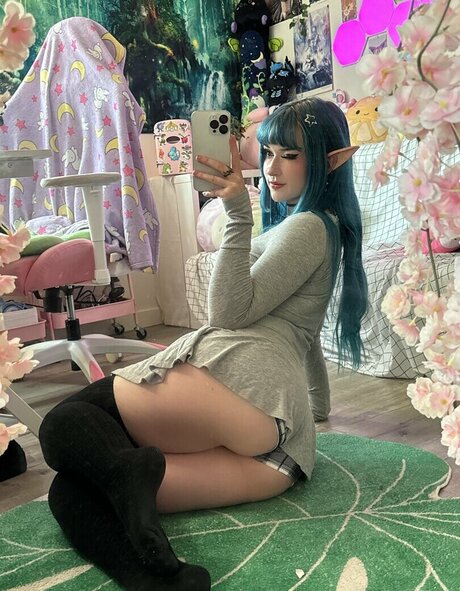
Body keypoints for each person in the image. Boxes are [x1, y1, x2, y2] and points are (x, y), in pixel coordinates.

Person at [38, 97, 368, 590]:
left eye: (291, 155)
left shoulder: (307, 226)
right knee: (73, 489)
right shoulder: (325, 229)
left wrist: (236, 213)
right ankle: (156, 580)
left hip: (245, 391)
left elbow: (228, 314)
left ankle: (128, 471)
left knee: (64, 423)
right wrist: (313, 412)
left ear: (333, 160)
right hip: (276, 459)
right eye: (268, 152)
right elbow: (308, 335)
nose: (272, 168)